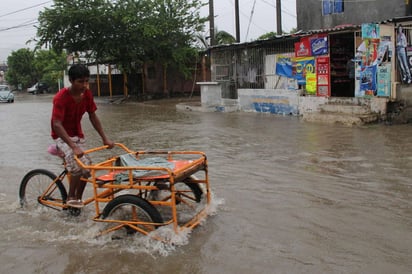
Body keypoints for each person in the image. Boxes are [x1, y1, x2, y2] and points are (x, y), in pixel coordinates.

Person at [51, 64, 114, 208]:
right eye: (80, 81)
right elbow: (57, 124)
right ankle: (70, 197)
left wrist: (105, 138)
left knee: (87, 169)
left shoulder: (87, 95)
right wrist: (73, 147)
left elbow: (93, 116)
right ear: (72, 81)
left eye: (87, 81)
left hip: (77, 135)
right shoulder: (61, 98)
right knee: (77, 167)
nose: (85, 85)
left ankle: (78, 200)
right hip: (61, 136)